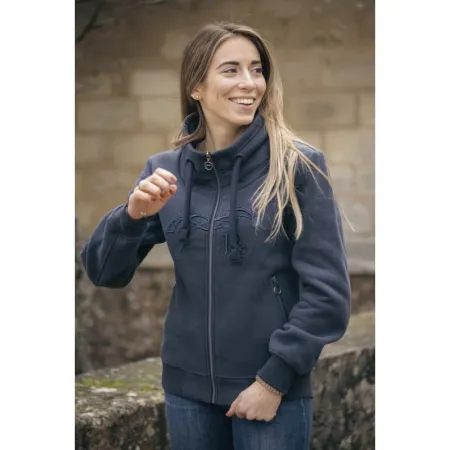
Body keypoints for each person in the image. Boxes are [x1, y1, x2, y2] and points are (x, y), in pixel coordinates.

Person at [81, 21, 351, 450]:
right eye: (231, 70)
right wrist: (131, 216)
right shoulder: (165, 171)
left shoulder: (297, 166)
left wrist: (274, 379)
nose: (250, 83)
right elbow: (104, 271)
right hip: (186, 393)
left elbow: (328, 294)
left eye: (256, 69)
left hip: (269, 391)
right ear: (196, 87)